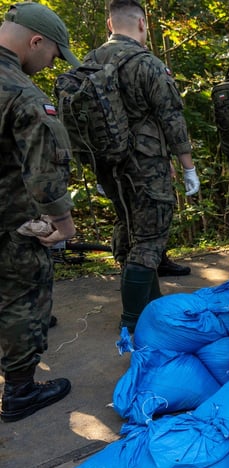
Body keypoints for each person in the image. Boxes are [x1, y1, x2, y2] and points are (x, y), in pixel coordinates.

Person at [85, 0, 200, 332]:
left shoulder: (89, 62)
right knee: (150, 240)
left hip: (109, 167)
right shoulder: (146, 63)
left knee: (128, 232)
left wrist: (96, 166)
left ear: (109, 24)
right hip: (146, 167)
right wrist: (188, 166)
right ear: (140, 24)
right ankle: (134, 325)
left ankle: (148, 307)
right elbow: (172, 118)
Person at [0, 2, 79, 422]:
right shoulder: (22, 93)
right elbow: (44, 174)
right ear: (36, 41)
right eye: (52, 54)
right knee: (24, 298)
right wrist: (63, 225)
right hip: (11, 221)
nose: (50, 64)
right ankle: (20, 391)